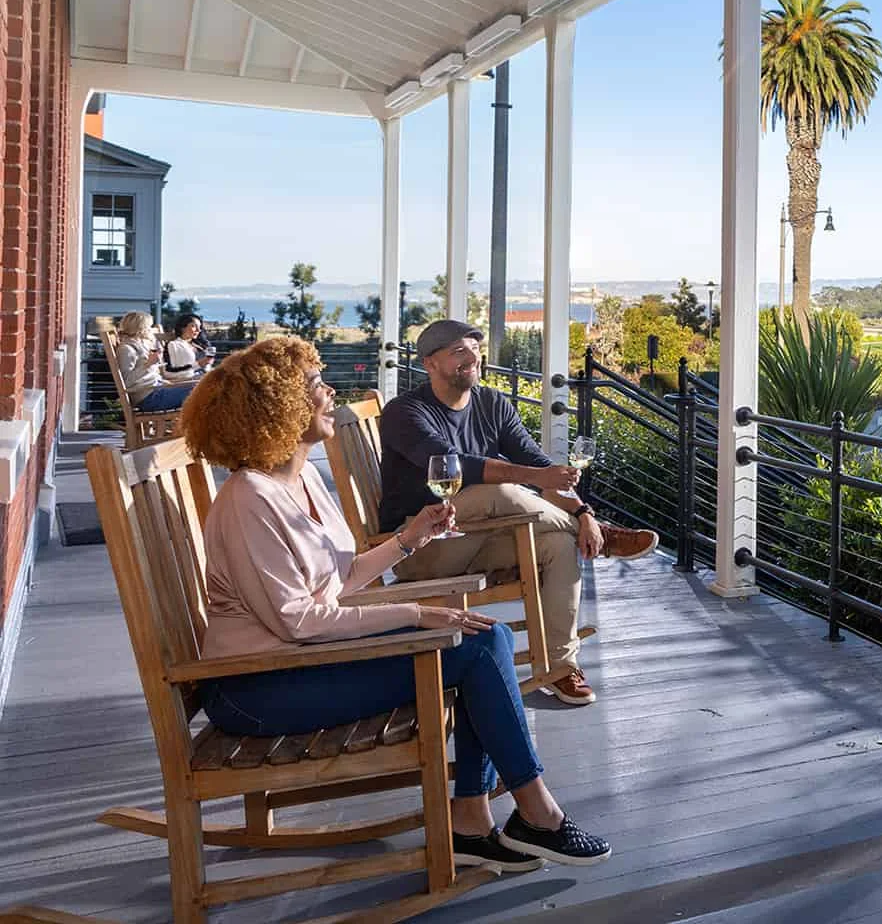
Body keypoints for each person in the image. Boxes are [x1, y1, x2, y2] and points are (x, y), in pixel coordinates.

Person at [180, 337, 611, 871]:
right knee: (476, 648)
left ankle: (474, 821)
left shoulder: (299, 478)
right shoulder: (249, 499)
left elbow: (336, 581)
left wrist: (410, 539)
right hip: (259, 685)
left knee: (484, 637)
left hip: (300, 659)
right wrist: (416, 614)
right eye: (316, 384)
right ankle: (534, 815)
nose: (329, 390)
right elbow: (299, 621)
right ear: (280, 407)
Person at [379, 320, 659, 706]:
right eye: (458, 351)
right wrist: (538, 479)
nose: (472, 356)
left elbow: (538, 465)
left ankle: (560, 666)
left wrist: (584, 512)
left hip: (475, 538)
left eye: (475, 347)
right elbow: (455, 466)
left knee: (559, 545)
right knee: (498, 489)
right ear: (429, 364)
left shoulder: (493, 403)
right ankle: (608, 540)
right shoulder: (404, 412)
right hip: (418, 546)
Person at [114, 311, 197, 412]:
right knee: (201, 391)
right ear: (141, 329)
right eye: (149, 326)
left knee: (202, 385)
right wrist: (148, 364)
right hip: (148, 398)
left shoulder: (141, 345)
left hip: (157, 390)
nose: (150, 330)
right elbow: (126, 382)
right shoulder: (127, 349)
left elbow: (150, 375)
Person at [164, 313, 217, 379]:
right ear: (182, 328)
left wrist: (208, 364)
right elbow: (169, 373)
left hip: (204, 379)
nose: (198, 330)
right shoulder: (174, 345)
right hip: (189, 382)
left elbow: (206, 367)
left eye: (200, 327)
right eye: (194, 326)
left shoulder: (198, 345)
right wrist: (199, 364)